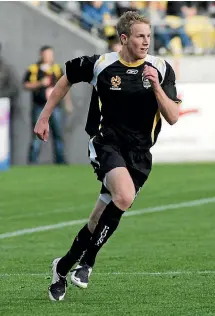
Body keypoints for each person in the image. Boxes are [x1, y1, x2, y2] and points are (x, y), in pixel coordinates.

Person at [33, 11, 181, 301]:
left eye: (149, 36)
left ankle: (62, 268)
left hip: (139, 154)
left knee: (96, 222)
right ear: (124, 38)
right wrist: (44, 116)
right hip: (106, 144)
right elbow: (65, 79)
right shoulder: (102, 64)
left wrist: (157, 87)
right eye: (140, 36)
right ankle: (88, 263)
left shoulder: (160, 68)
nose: (146, 42)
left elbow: (173, 116)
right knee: (123, 196)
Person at [23, 45, 73, 164]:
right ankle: (32, 162)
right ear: (41, 55)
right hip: (39, 106)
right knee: (37, 136)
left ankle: (60, 162)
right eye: (46, 54)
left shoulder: (57, 68)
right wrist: (40, 83)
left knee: (58, 135)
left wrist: (68, 103)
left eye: (51, 54)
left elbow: (66, 86)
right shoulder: (33, 69)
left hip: (56, 108)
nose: (49, 57)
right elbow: (25, 84)